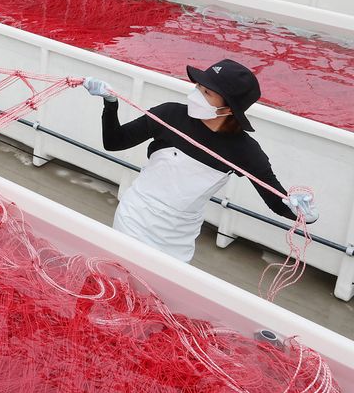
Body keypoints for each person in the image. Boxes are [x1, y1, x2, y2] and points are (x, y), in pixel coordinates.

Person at [83, 59, 317, 263]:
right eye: (198, 86)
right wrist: (110, 103)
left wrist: (305, 214)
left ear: (229, 108)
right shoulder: (169, 114)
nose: (195, 95)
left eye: (207, 93)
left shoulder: (245, 150)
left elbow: (277, 201)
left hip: (177, 237)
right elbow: (114, 142)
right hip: (135, 217)